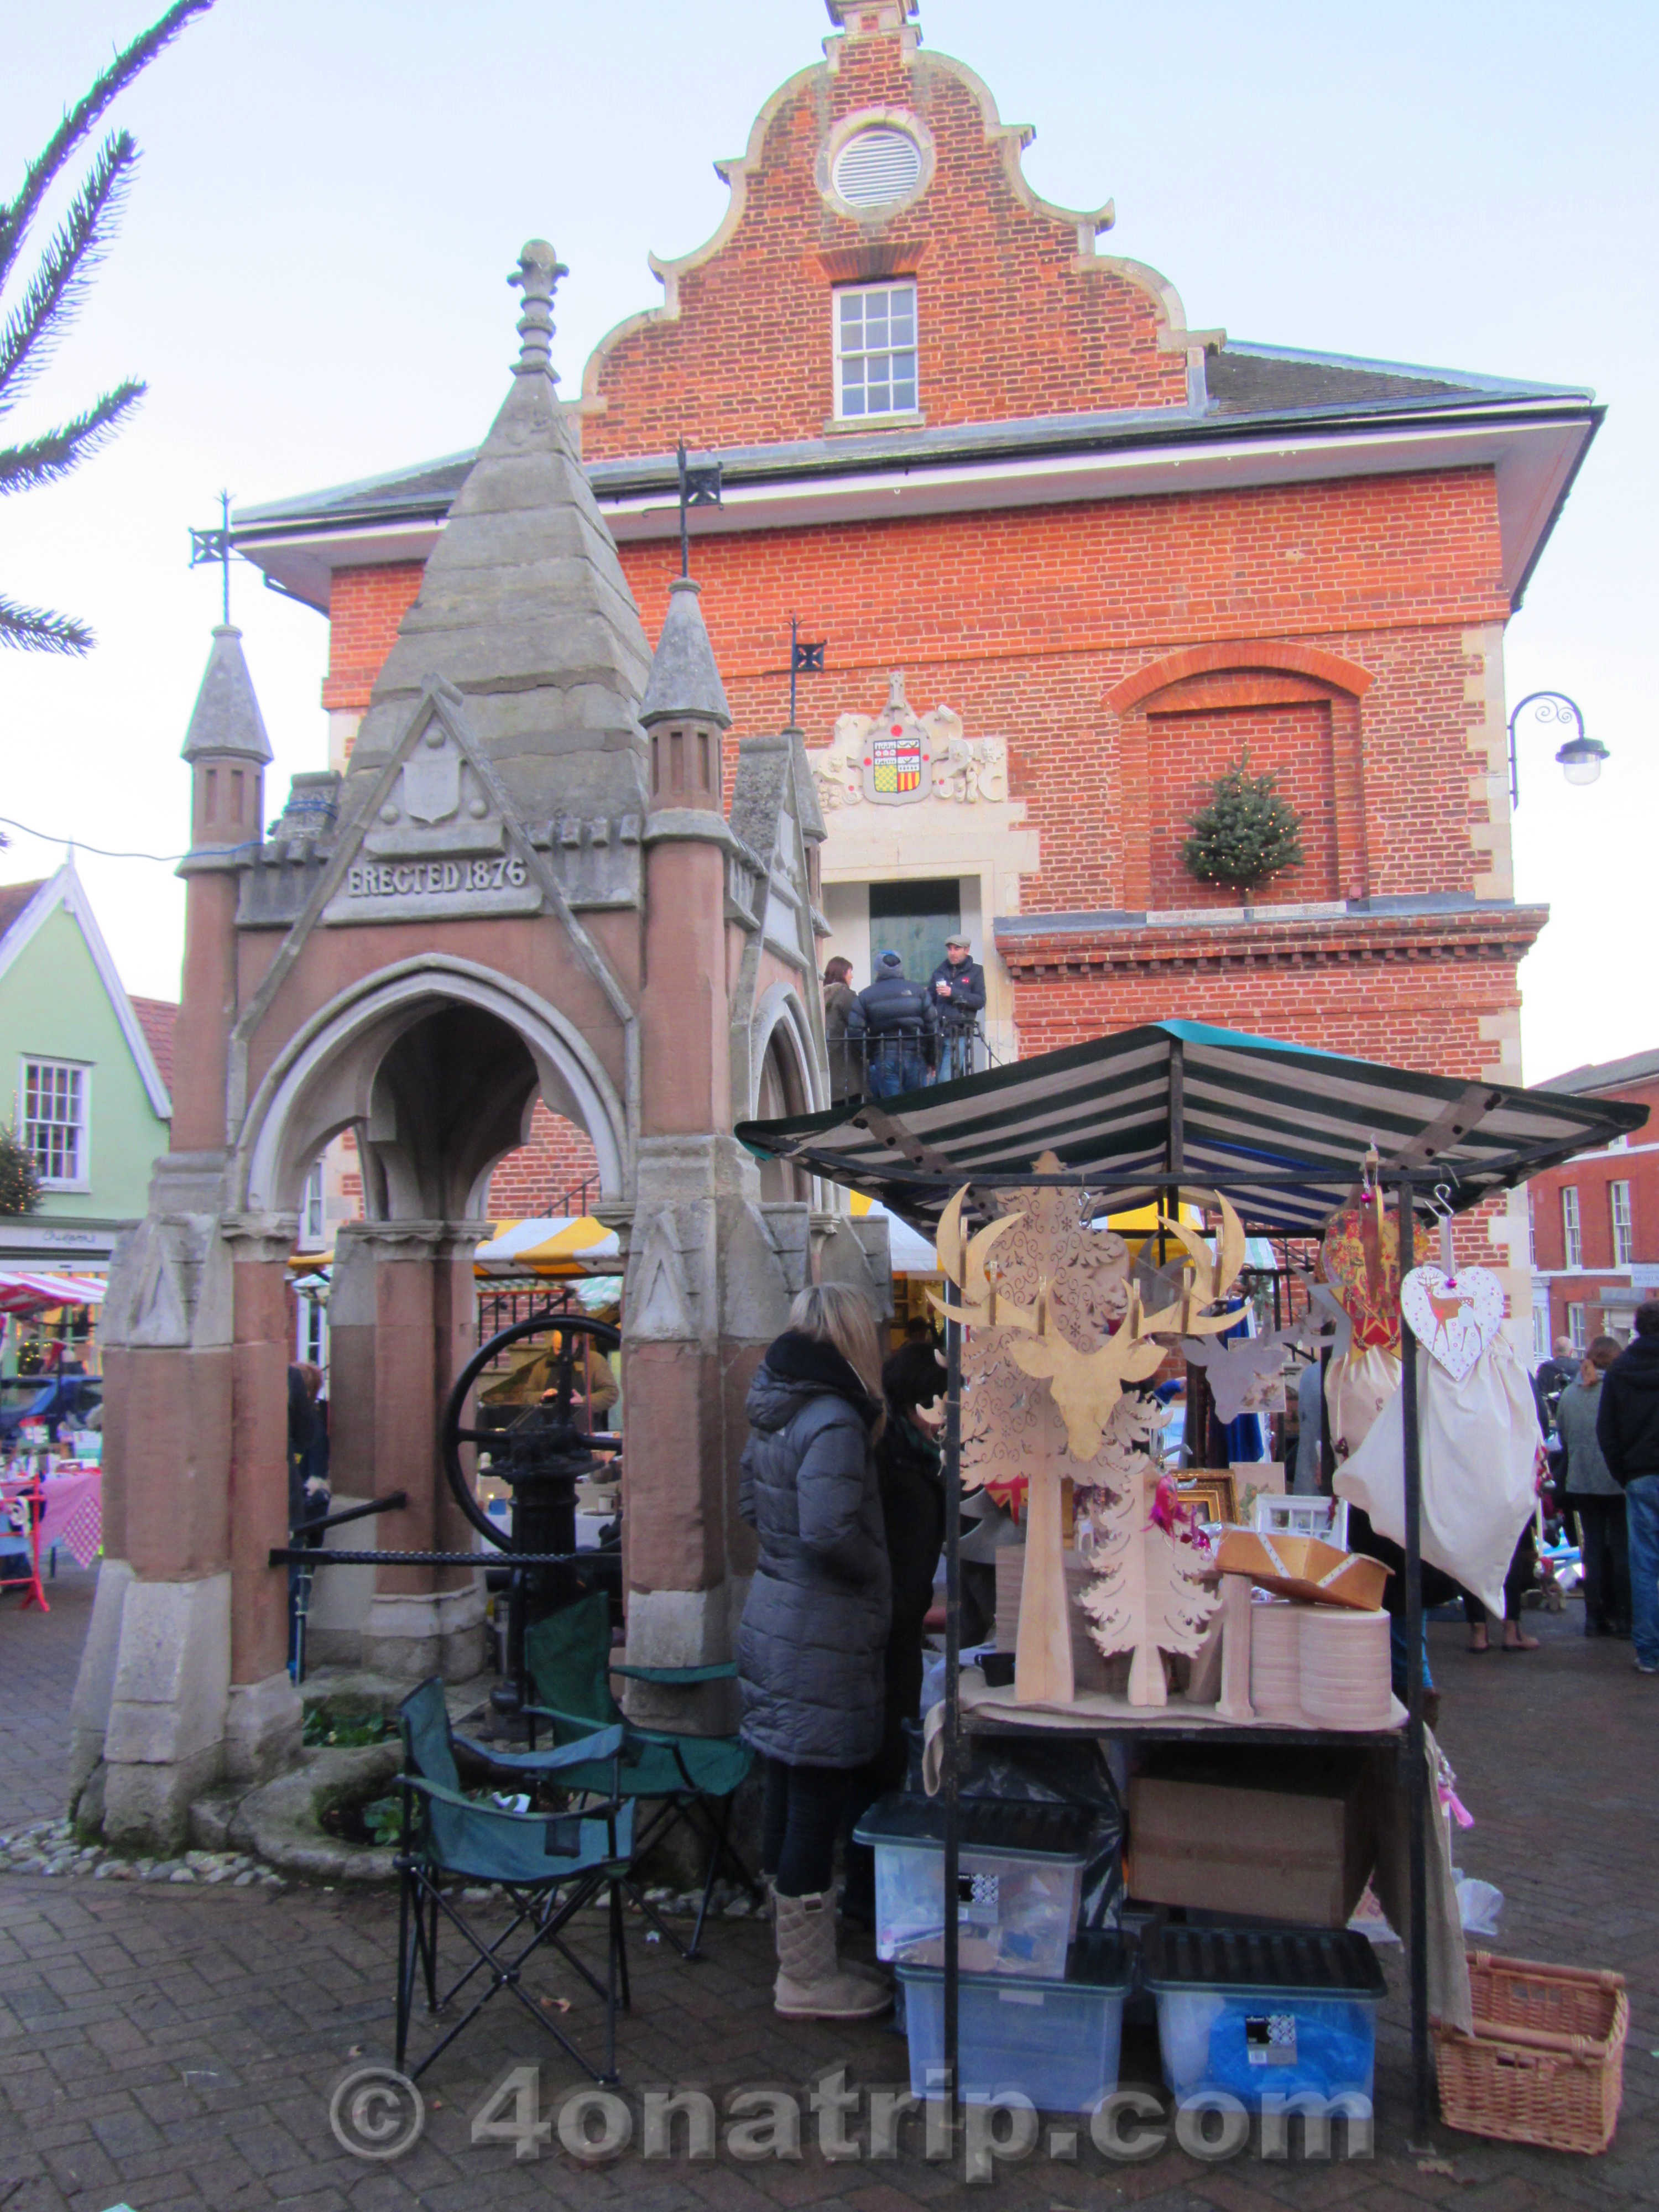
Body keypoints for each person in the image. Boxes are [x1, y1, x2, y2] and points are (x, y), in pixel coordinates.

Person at [737, 1282, 891, 2019]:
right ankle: (804, 1977)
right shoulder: (831, 1418)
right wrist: (874, 1569)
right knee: (815, 1789)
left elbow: (749, 1505)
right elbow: (830, 1532)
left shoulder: (774, 1408)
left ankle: (800, 1954)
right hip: (819, 1623)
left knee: (790, 1778)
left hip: (775, 1609)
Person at [842, 1336, 947, 1923]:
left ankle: (873, 1890)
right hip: (883, 1635)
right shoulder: (894, 1460)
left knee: (885, 1755)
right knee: (877, 1759)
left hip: (895, 1630)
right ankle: (867, 1895)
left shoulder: (911, 1453)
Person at [1597, 1301, 1659, 1676]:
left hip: (1640, 1475)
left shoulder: (1620, 1371)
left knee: (1645, 1565)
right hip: (1640, 1471)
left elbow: (1608, 1431)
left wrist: (1625, 1473)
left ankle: (1649, 1652)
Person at [1556, 1335, 1630, 1638]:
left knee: (1593, 1549)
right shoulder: (1620, 1391)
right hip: (1617, 1480)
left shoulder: (1571, 1394)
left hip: (1581, 1481)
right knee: (1624, 1549)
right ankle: (1625, 1618)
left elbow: (1562, 1435)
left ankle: (1594, 1617)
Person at [848, 950, 935, 1098]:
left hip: (883, 1056)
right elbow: (932, 1027)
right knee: (918, 1105)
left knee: (893, 1108)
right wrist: (932, 1059)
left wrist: (872, 1053)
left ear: (877, 970)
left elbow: (855, 1031)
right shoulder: (919, 992)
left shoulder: (866, 996)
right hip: (916, 1054)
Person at [926, 933, 985, 1082]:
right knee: (932, 1081)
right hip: (939, 1031)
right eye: (950, 949)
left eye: (957, 949)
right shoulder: (939, 971)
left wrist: (954, 993)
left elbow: (980, 1001)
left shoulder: (976, 971)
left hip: (960, 1031)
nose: (952, 953)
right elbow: (930, 1000)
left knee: (947, 1077)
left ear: (967, 950)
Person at [822, 955, 863, 1103]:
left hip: (827, 1068)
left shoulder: (819, 995)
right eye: (850, 972)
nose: (852, 976)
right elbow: (858, 1025)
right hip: (846, 1070)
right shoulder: (846, 996)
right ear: (843, 973)